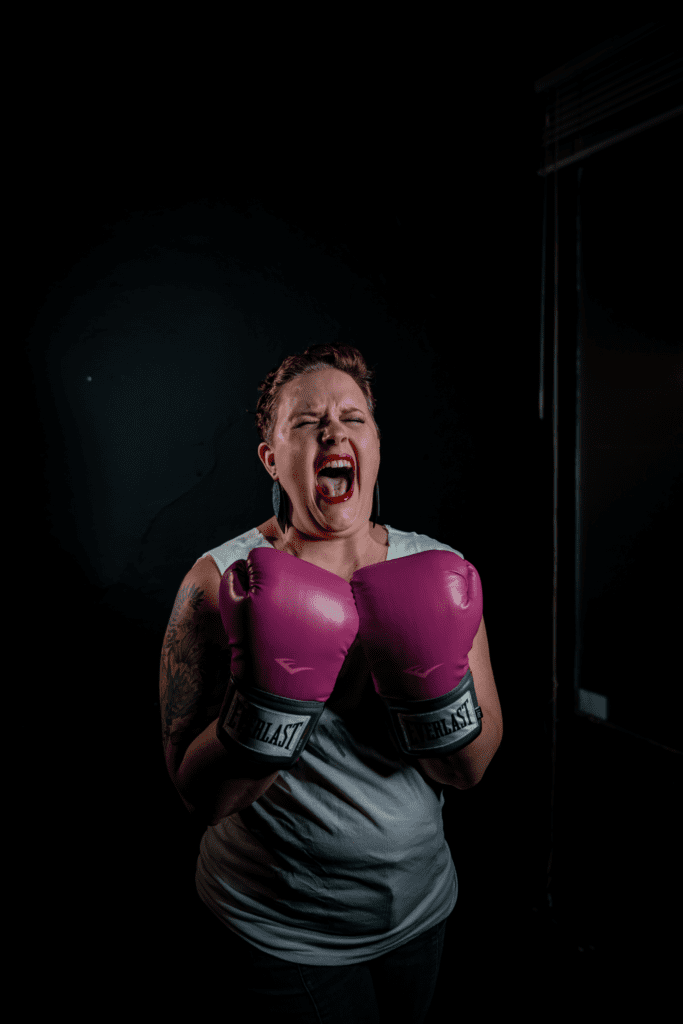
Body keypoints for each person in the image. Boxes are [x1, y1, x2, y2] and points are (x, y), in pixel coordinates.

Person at [159, 344, 503, 1023]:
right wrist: (266, 704)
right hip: (280, 932)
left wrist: (428, 690)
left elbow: (469, 769)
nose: (333, 432)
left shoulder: (441, 569)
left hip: (420, 911)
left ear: (373, 445)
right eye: (306, 421)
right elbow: (198, 795)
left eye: (352, 417)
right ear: (270, 457)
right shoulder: (217, 581)